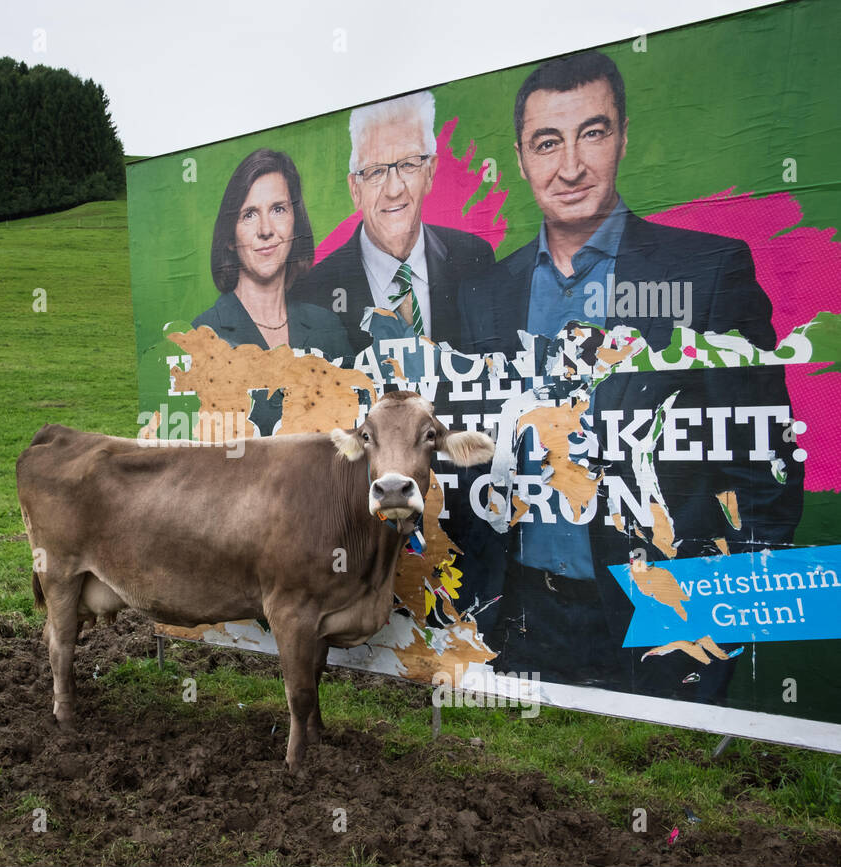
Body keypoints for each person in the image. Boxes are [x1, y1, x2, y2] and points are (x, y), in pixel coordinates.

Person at [455, 51, 803, 697]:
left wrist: (717, 631)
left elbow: (767, 471)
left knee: (660, 795)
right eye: (547, 143)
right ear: (521, 157)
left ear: (622, 136)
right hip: (515, 624)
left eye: (592, 132)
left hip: (659, 622)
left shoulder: (705, 275)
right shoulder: (483, 294)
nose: (570, 167)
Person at [292, 91, 495, 352]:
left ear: (430, 172)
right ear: (355, 189)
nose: (394, 189)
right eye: (375, 171)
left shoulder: (474, 260)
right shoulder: (313, 290)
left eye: (408, 165)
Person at [193, 149, 355, 435]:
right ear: (230, 237)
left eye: (278, 209)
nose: (266, 229)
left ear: (296, 223)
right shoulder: (202, 336)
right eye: (249, 215)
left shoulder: (328, 329)